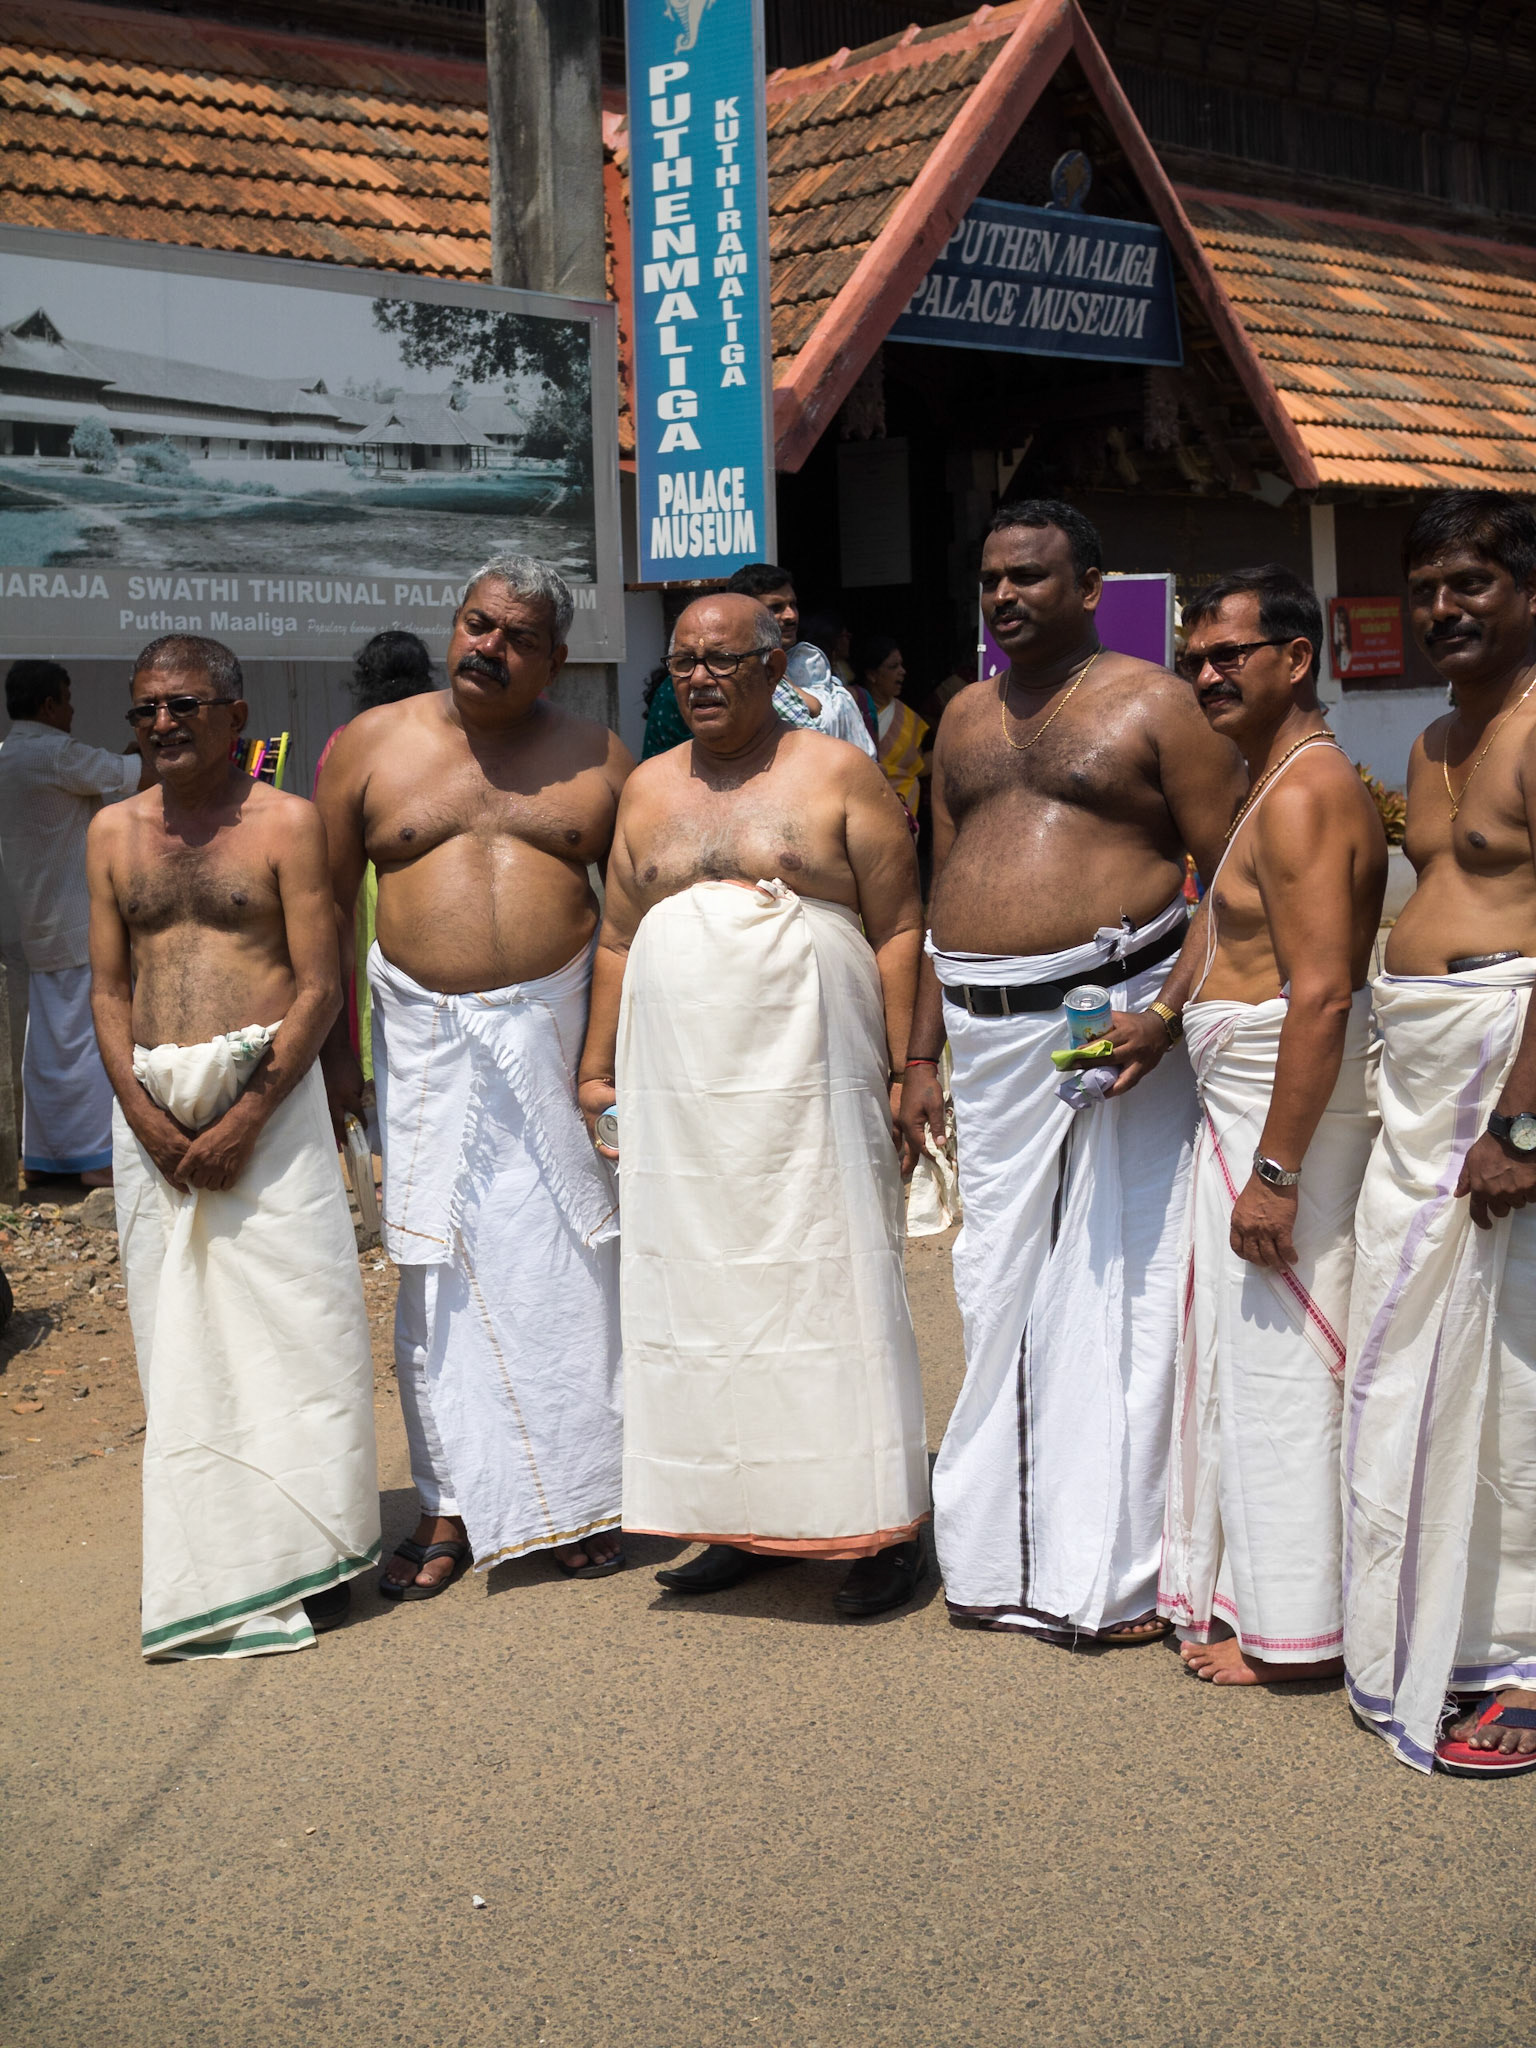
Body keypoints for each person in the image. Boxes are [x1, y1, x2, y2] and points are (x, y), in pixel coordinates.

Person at [898, 499, 1245, 1645]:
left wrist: (1166, 1016)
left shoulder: (1157, 703)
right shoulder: (962, 714)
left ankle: (1119, 1571)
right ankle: (1001, 1554)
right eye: (992, 577)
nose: (1005, 595)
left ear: (1090, 587)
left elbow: (1233, 876)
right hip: (983, 1038)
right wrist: (921, 1053)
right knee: (997, 1286)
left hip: (1108, 1028)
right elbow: (941, 887)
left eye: (1030, 576)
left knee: (1116, 1291)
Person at [578, 593, 931, 1617]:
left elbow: (899, 924)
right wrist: (596, 1069)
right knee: (703, 1295)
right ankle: (736, 1518)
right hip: (683, 1095)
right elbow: (617, 937)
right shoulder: (647, 789)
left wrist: (905, 1068)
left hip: (814, 1083)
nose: (698, 677)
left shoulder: (838, 773)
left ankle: (883, 1524)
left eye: (722, 660)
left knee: (832, 1285)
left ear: (776, 667)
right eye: (683, 660)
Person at [316, 555, 631, 1599]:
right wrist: (338, 1058)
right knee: (434, 1272)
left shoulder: (599, 756)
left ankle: (581, 1496)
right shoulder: (372, 746)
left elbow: (633, 919)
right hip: (422, 1047)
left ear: (556, 658)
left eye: (516, 636)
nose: (488, 647)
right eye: (476, 623)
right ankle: (449, 1499)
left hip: (558, 1048)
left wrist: (609, 1059)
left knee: (569, 1267)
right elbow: (323, 909)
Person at [1105, 567, 1386, 1683]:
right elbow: (1220, 928)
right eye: (1195, 659)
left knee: (1285, 1368)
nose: (1207, 674)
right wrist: (1164, 1018)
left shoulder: (1308, 791)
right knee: (1244, 1361)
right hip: (1243, 1103)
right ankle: (1257, 1599)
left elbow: (1321, 994)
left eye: (1231, 654)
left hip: (1284, 1117)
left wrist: (1276, 1172)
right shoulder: (1264, 779)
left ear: (1297, 658)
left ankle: (1298, 1632)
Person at [86, 635, 379, 1658]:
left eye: (183, 705)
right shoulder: (113, 832)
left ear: (236, 716)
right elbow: (108, 989)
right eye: (145, 710)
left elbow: (321, 984)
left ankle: (319, 1553)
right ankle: (219, 1557)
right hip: (154, 1126)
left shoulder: (288, 824)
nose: (162, 724)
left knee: (302, 1333)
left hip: (272, 1115)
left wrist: (248, 1115)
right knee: (181, 1345)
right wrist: (145, 1115)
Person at [1344, 490, 1536, 1776]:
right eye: (1424, 589)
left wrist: (1523, 1121)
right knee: (1413, 1356)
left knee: (1512, 1372)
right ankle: (1447, 1627)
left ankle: (1521, 1656)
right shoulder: (1429, 743)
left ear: (1529, 592)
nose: (1443, 607)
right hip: (1421, 1082)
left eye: (1471, 582)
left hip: (1500, 1082)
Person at [0, 659, 149, 1187]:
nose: (72, 709)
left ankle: (44, 1156)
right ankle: (94, 1158)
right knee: (91, 1042)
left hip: (36, 922)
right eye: (66, 699)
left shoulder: (8, 755)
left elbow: (118, 770)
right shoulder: (55, 754)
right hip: (78, 922)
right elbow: (138, 775)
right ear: (48, 705)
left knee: (46, 1047)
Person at [314, 631, 439, 1085]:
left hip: (360, 874)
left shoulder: (346, 741)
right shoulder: (442, 737)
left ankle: (367, 1070)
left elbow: (326, 826)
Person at [725, 563, 877, 756]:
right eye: (776, 608)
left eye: (793, 605)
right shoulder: (734, 678)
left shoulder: (810, 664)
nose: (791, 616)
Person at [853, 634, 928, 824]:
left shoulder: (908, 719)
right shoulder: (850, 711)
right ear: (872, 675)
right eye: (894, 666)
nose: (902, 671)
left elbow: (917, 766)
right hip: (862, 810)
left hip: (904, 813)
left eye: (901, 665)